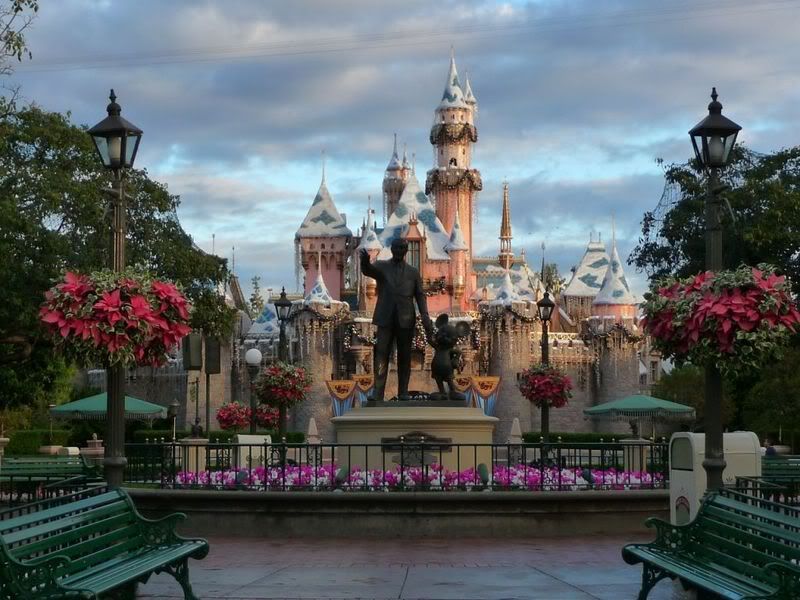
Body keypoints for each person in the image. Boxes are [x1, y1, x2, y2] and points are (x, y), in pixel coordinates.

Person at [360, 239, 432, 402]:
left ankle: (403, 392)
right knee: (381, 355)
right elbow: (368, 271)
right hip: (385, 317)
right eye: (397, 247)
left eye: (403, 248)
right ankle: (378, 392)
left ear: (406, 250)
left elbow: (420, 295)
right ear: (392, 249)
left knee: (405, 357)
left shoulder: (413, 272)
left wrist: (425, 315)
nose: (399, 250)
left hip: (406, 319)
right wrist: (365, 263)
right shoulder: (382, 266)